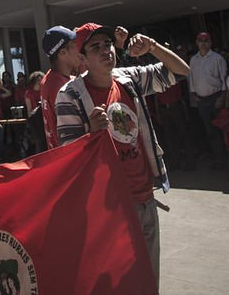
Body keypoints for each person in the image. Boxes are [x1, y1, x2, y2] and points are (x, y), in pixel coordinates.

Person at [56, 22, 190, 282]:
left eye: (107, 44)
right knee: (119, 282)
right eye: (96, 47)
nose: (106, 50)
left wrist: (153, 47)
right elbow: (68, 156)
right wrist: (91, 133)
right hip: (109, 208)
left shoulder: (129, 79)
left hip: (144, 198)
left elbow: (181, 71)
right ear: (82, 58)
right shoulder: (69, 95)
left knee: (149, 279)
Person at [39, 26, 85, 149]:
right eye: (75, 44)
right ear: (63, 53)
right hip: (72, 156)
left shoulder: (49, 79)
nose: (80, 49)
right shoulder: (60, 87)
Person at [188, 31, 229, 169]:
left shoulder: (217, 59)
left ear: (210, 43)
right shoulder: (193, 60)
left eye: (206, 41)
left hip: (215, 98)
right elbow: (191, 78)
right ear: (197, 43)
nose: (203, 43)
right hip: (201, 100)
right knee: (209, 131)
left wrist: (222, 98)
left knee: (222, 130)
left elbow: (224, 79)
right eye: (200, 41)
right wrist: (193, 95)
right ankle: (218, 159)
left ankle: (228, 159)